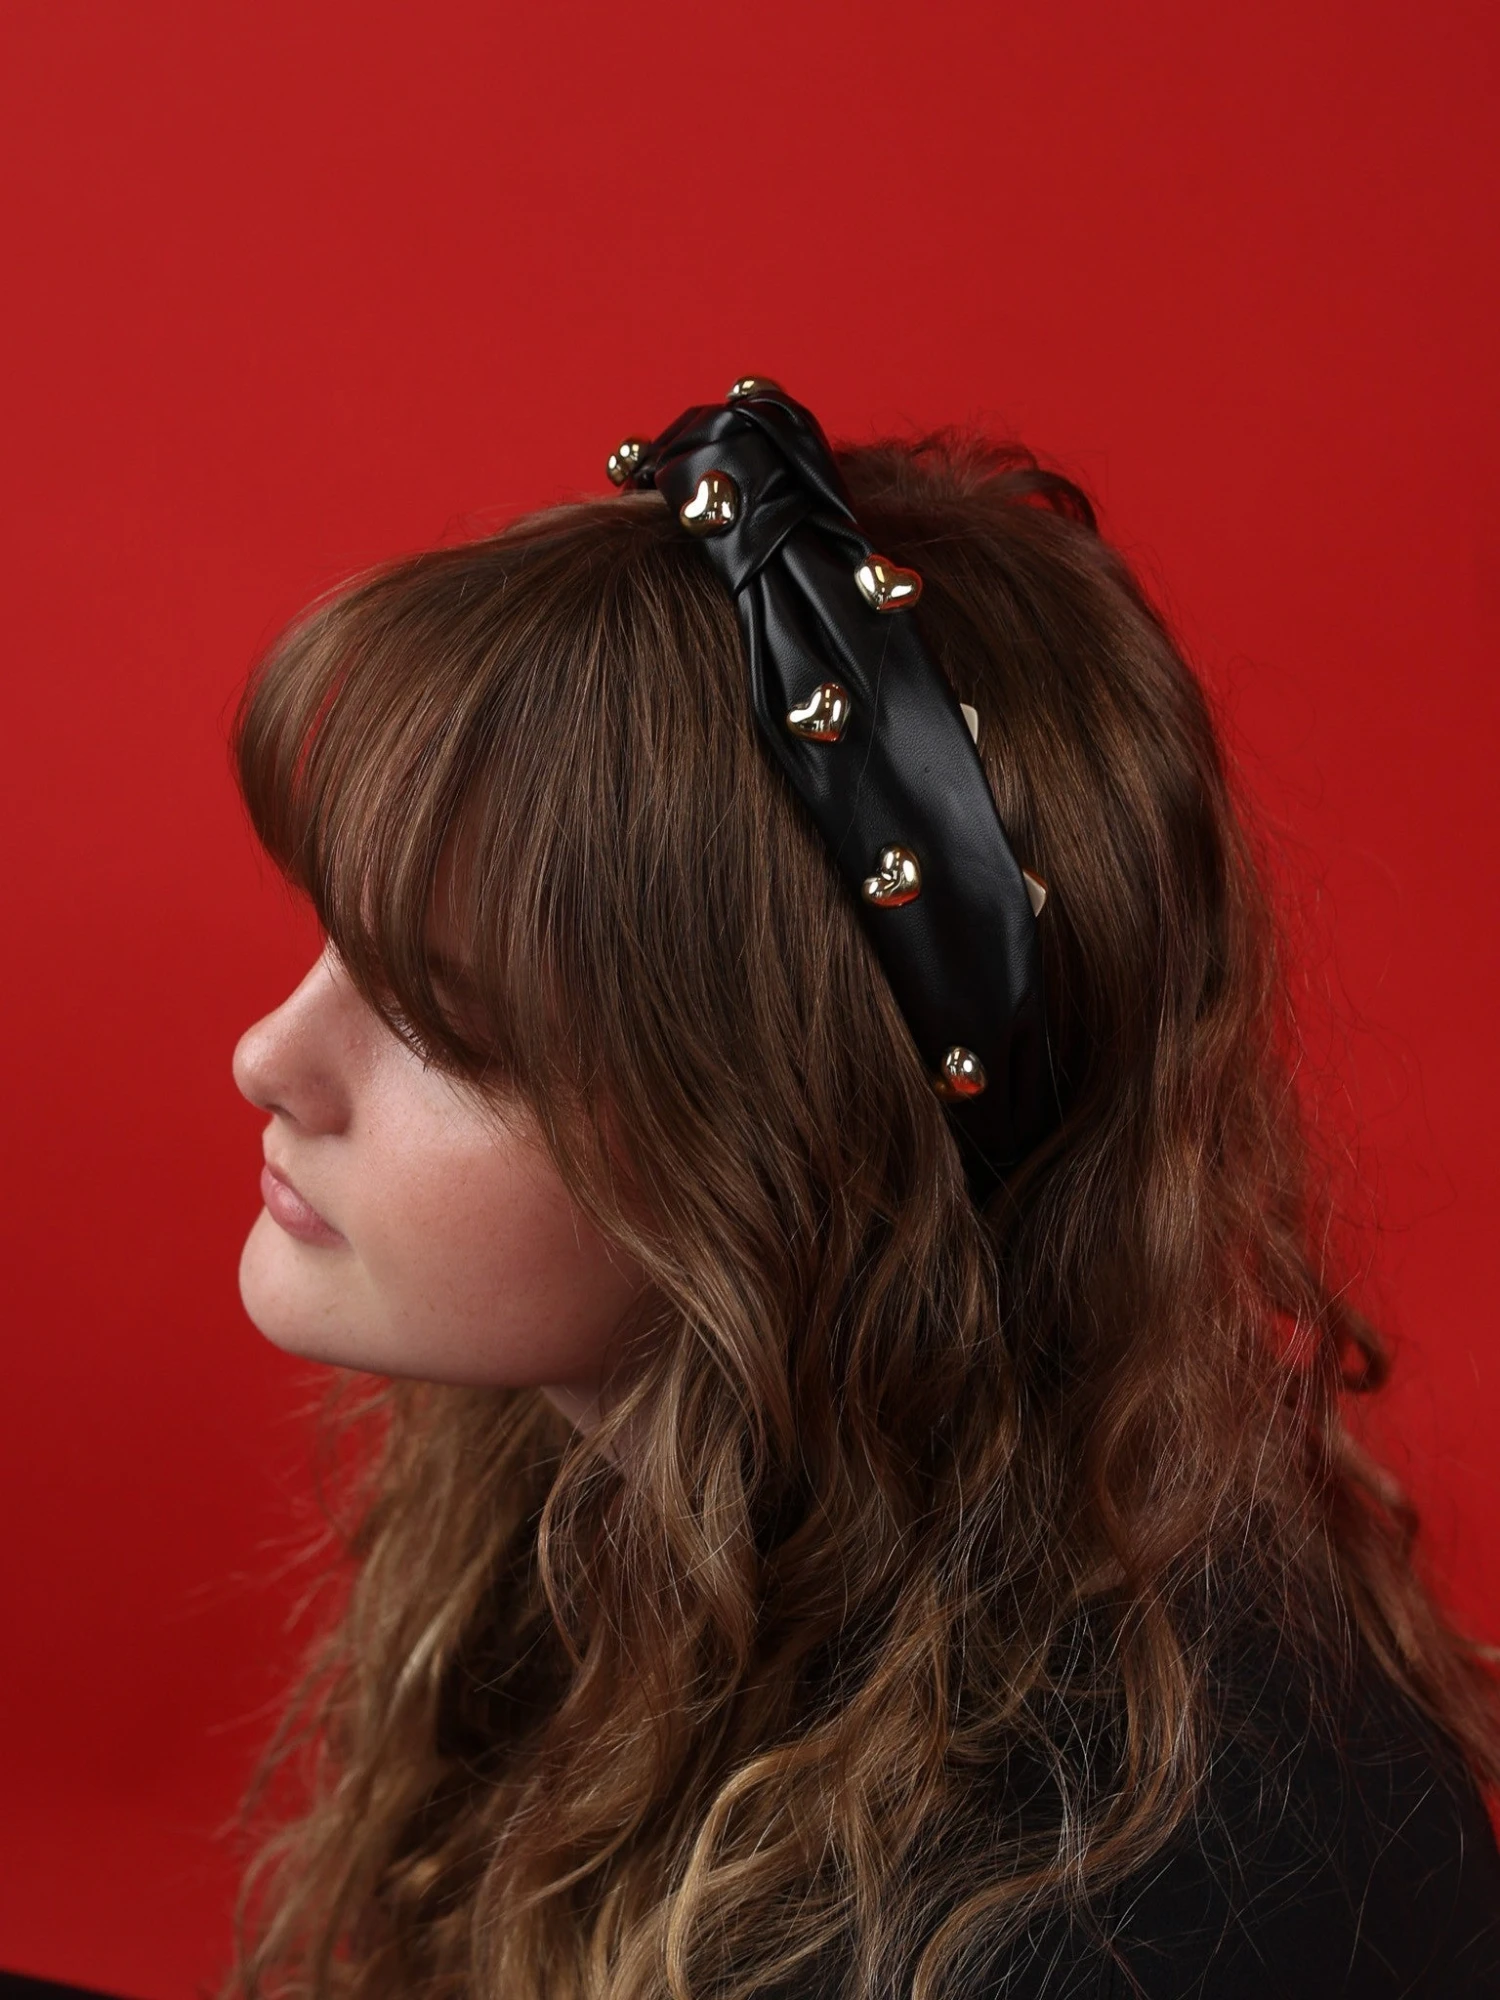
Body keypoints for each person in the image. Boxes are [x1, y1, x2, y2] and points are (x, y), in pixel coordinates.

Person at [228, 383, 1500, 2000]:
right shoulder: (683, 1536)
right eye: (337, 938)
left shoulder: (1096, 1918)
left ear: (794, 1145)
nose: (269, 1057)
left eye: (446, 1024)